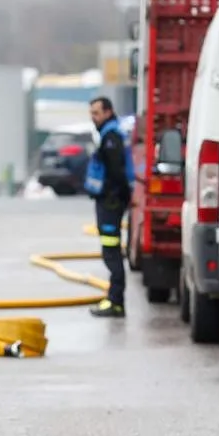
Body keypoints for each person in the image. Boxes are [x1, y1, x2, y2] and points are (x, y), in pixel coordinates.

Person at [84, 96, 134, 318]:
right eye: (91, 113)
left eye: (96, 113)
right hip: (110, 201)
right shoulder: (110, 133)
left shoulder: (111, 136)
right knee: (110, 252)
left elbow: (116, 172)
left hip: (110, 203)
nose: (93, 118)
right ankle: (115, 300)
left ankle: (116, 302)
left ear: (108, 112)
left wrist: (114, 196)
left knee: (111, 254)